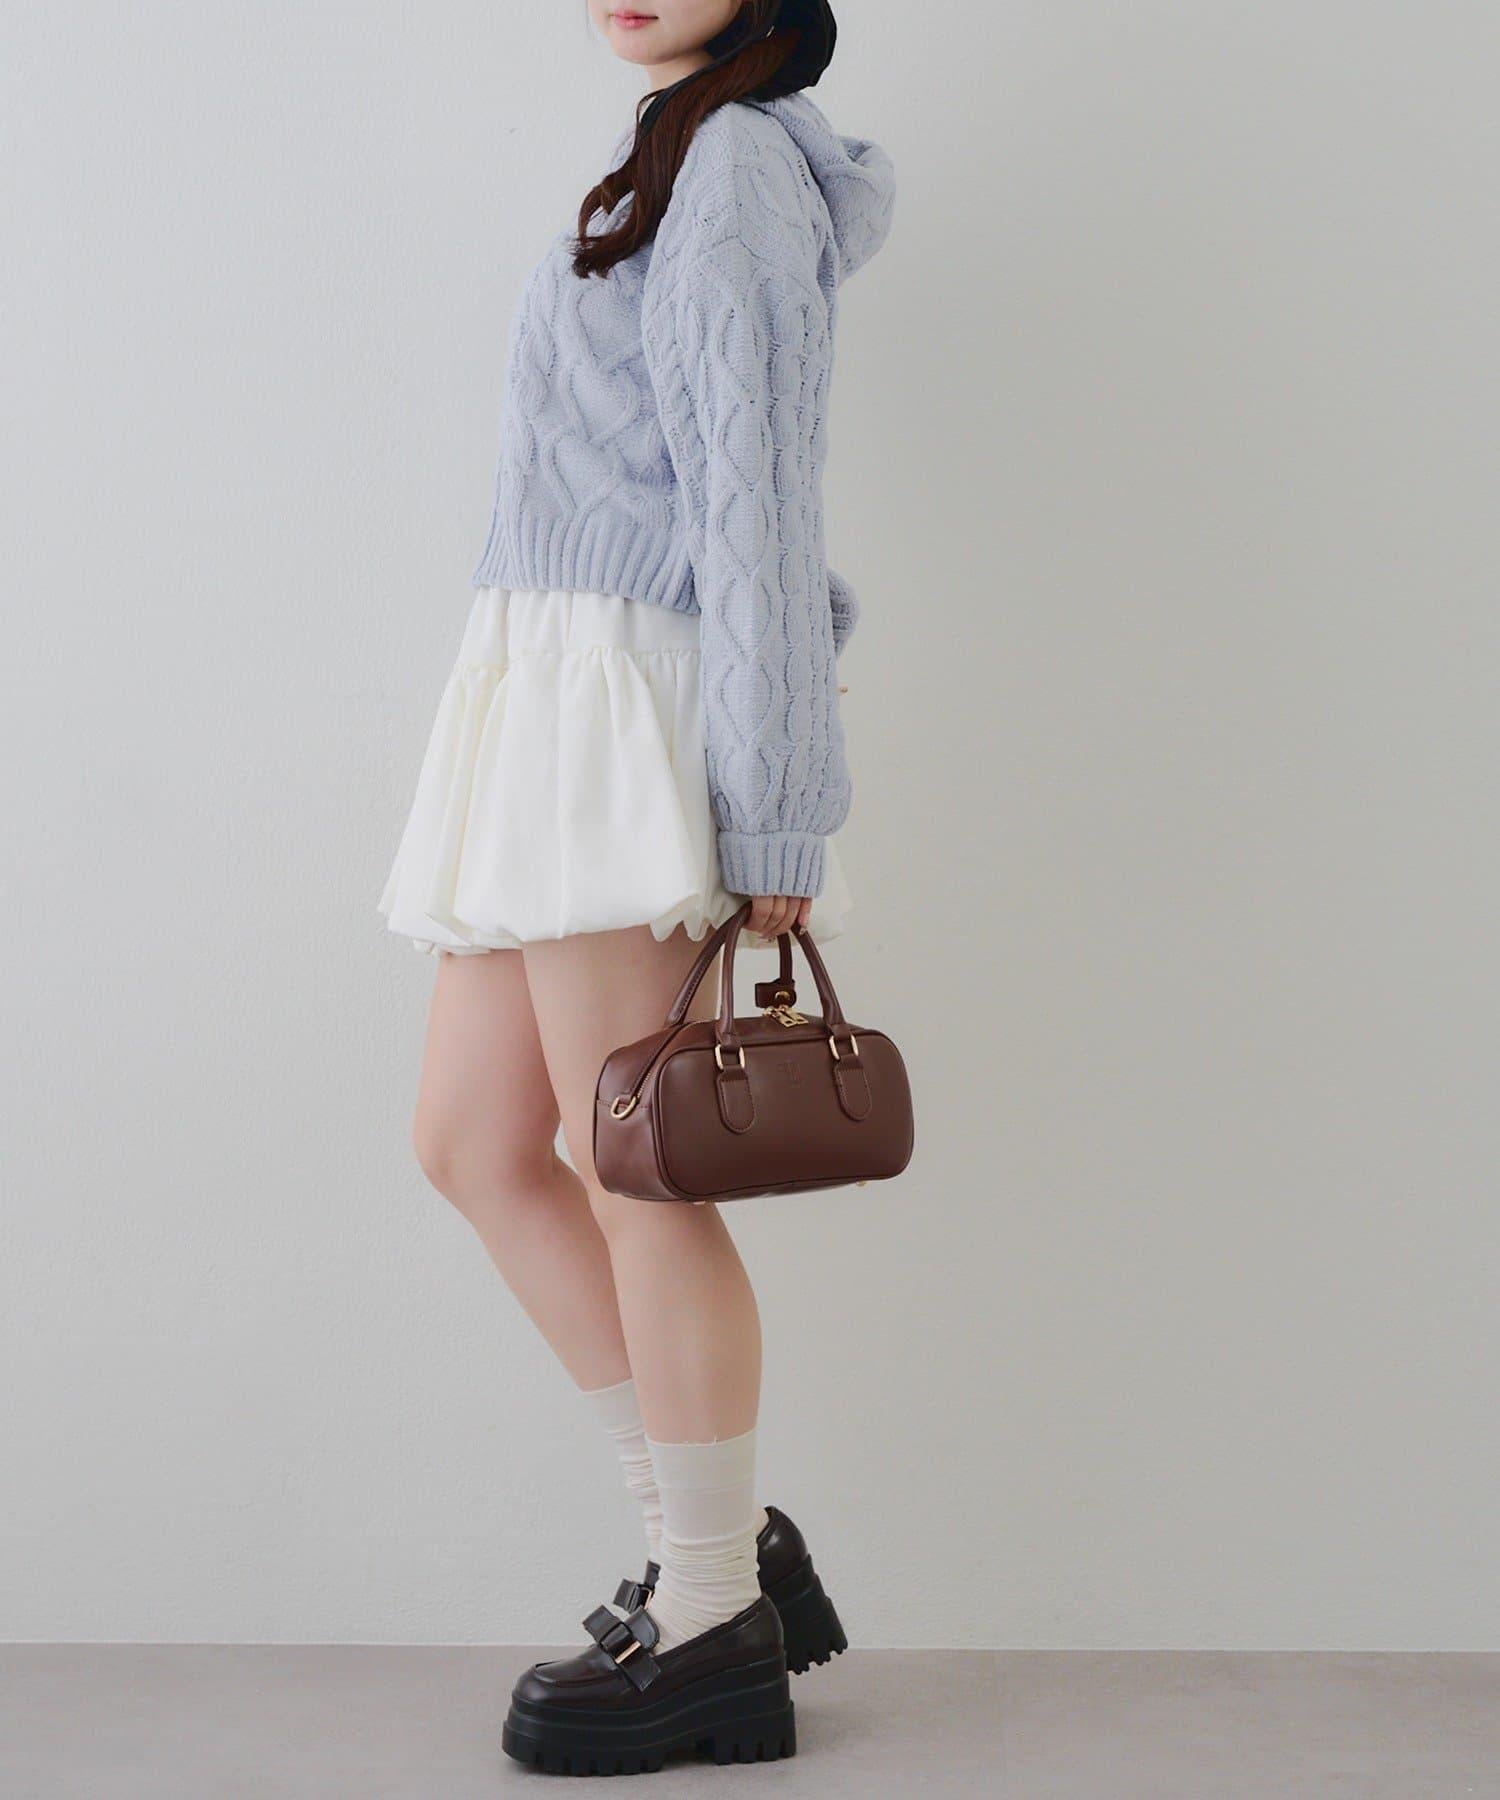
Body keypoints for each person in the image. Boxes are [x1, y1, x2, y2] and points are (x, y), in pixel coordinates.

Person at [379, 0, 894, 1773]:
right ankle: (713, 1539)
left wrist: (776, 819)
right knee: (472, 1141)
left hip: (624, 700)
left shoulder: (735, 168)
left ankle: (710, 1610)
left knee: (633, 1168)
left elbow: (760, 504)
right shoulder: (667, 149)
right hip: (545, 685)